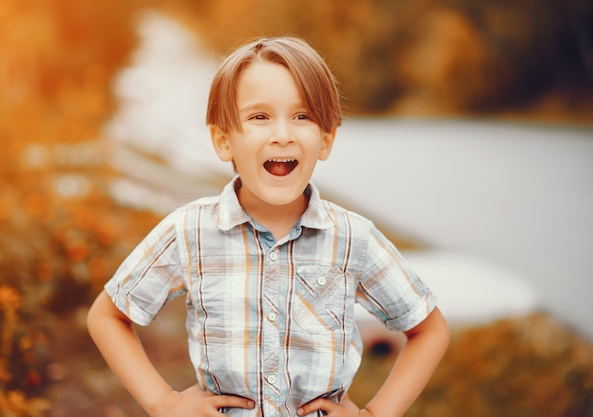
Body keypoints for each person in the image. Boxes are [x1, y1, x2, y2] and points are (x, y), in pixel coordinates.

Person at [87, 36, 449, 417]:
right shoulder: (189, 231)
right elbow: (108, 315)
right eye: (259, 117)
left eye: (302, 116)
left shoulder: (352, 239)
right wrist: (162, 403)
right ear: (223, 141)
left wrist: (375, 414)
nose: (282, 134)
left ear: (326, 139)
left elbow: (429, 329)